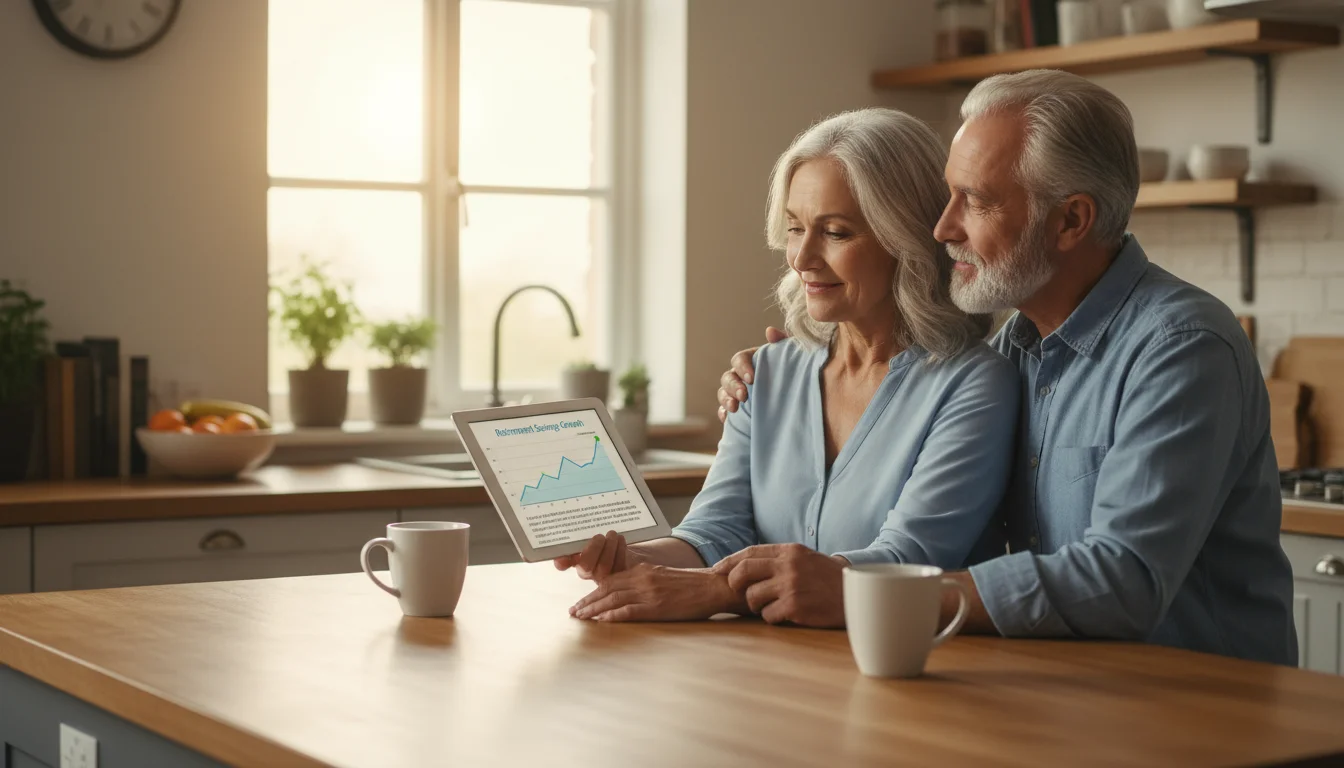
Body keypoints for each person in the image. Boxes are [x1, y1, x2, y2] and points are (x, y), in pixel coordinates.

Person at [715, 70, 1297, 665]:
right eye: (949, 194)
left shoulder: (1181, 348)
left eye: (976, 200)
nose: (943, 228)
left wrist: (860, 589)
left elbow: (1124, 580)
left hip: (1207, 715)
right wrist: (777, 373)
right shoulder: (1008, 355)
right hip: (1069, 704)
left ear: (1070, 221)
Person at [562, 107, 1019, 625]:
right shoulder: (768, 373)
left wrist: (719, 592)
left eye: (837, 232)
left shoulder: (976, 384)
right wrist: (634, 559)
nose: (802, 257)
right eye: (796, 229)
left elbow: (908, 560)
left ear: (906, 240)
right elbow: (715, 533)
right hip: (777, 675)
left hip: (915, 676)